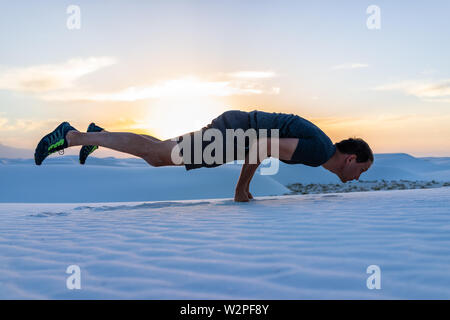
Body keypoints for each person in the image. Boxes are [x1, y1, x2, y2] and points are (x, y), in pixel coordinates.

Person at [34, 109, 373, 202]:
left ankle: (98, 134)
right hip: (235, 134)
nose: (360, 176)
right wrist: (241, 189)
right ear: (351, 158)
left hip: (236, 133)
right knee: (157, 155)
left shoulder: (321, 148)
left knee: (159, 151)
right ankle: (71, 135)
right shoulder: (319, 151)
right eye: (363, 169)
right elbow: (263, 145)